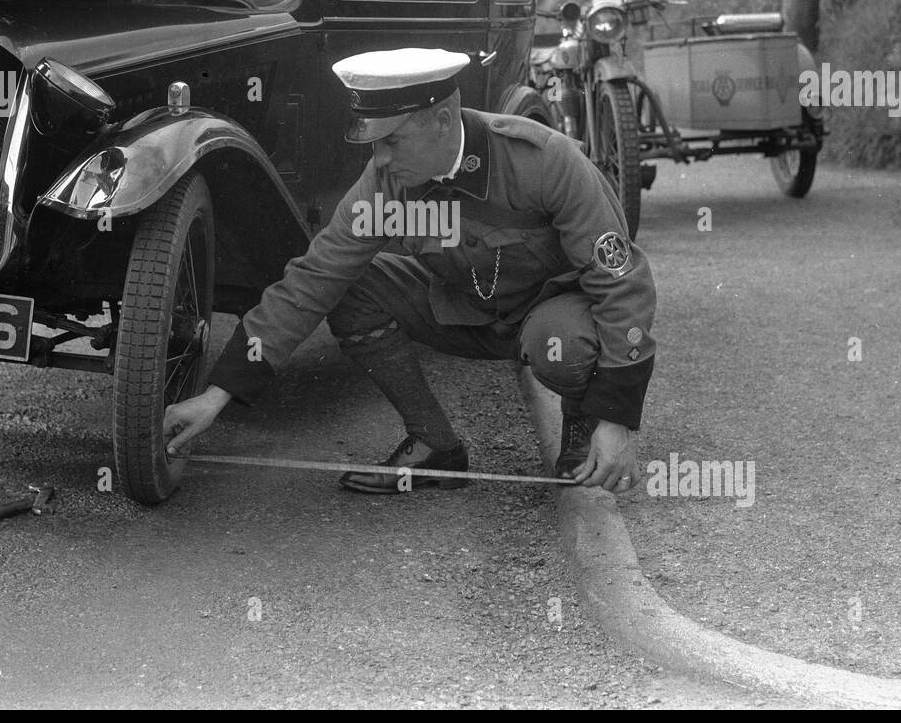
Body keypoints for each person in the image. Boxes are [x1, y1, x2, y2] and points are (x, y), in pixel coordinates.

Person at [164, 47, 657, 494]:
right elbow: (313, 279)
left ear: (443, 120)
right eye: (373, 142)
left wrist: (615, 421)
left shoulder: (544, 162)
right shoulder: (386, 182)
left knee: (564, 347)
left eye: (393, 141)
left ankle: (582, 428)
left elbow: (622, 286)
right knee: (351, 286)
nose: (379, 158)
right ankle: (434, 445)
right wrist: (216, 394)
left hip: (551, 319)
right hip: (467, 309)